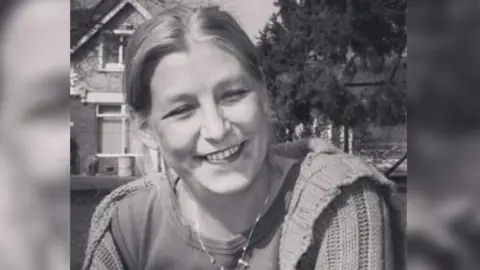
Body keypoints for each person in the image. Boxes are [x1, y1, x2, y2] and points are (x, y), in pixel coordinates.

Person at [83, 5, 404, 270]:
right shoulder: (125, 225)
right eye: (182, 110)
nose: (217, 128)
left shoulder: (340, 202)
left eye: (233, 95)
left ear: (263, 94)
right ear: (146, 130)